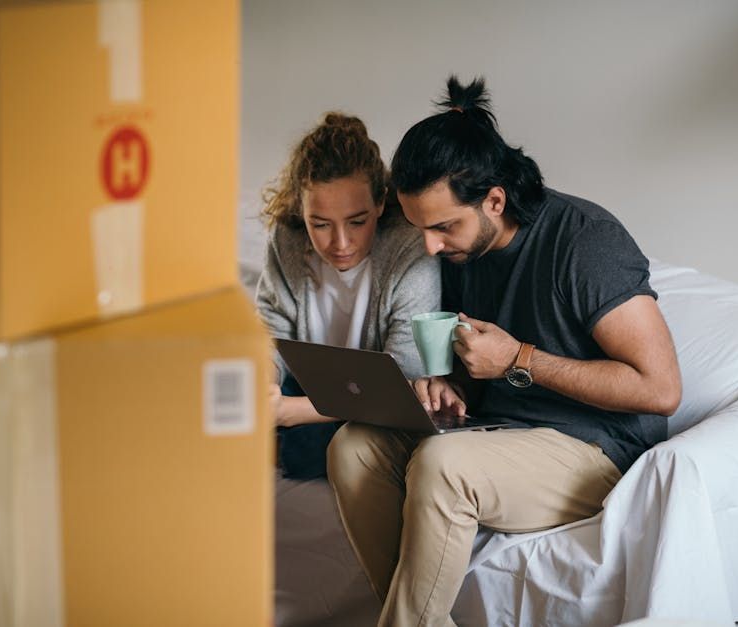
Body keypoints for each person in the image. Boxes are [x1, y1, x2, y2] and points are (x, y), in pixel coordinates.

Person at [326, 77, 682, 626]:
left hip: (597, 448)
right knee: (353, 447)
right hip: (497, 432)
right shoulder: (463, 252)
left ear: (494, 199)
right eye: (422, 229)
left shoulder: (586, 241)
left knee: (443, 466)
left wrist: (519, 359)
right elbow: (482, 366)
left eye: (444, 227)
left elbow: (660, 389)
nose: (431, 247)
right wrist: (451, 386)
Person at [256, 112, 440, 480]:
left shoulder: (410, 249)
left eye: (357, 221)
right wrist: (264, 388)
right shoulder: (287, 241)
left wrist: (291, 413)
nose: (340, 243)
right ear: (301, 211)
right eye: (320, 225)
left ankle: (282, 447)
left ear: (381, 204)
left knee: (366, 442)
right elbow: (269, 337)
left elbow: (404, 384)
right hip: (305, 385)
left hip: (378, 404)